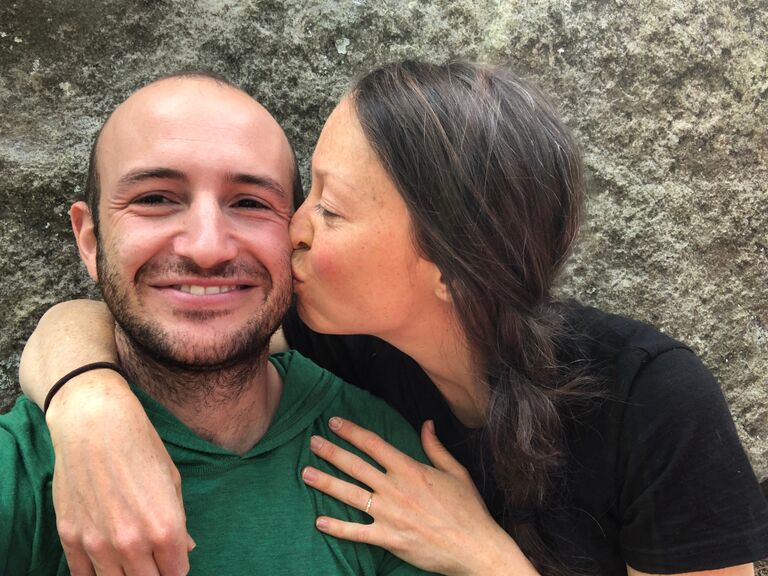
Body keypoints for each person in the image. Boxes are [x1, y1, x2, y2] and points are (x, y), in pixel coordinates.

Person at [20, 61, 768, 575]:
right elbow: (129, 313)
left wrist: (484, 555)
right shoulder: (345, 340)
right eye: (303, 192)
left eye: (330, 208)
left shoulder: (651, 401)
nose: (292, 230)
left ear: (451, 264)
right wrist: (90, 406)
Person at [1, 71, 435, 576]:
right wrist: (86, 400)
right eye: (156, 198)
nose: (207, 248)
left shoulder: (380, 457)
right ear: (91, 240)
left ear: (295, 237)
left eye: (250, 203)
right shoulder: (25, 469)